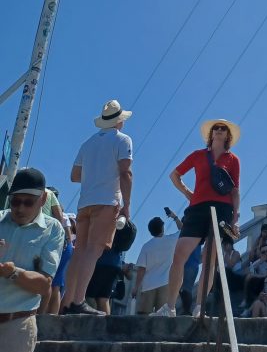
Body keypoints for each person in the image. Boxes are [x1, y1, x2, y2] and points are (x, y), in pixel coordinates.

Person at [0, 167, 64, 352]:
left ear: (43, 200)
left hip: (17, 325)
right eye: (15, 202)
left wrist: (12, 272)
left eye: (28, 202)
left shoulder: (53, 230)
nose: (20, 208)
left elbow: (43, 285)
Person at [154, 118, 241, 318]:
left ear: (228, 135)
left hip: (222, 210)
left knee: (210, 259)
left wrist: (235, 218)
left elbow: (235, 191)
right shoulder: (198, 155)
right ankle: (170, 306)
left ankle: (199, 306)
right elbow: (175, 175)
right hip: (197, 208)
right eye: (216, 128)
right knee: (179, 255)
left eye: (223, 129)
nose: (219, 131)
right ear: (210, 134)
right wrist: (188, 194)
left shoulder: (233, 160)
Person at [62, 99, 133, 315]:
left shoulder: (88, 143)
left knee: (80, 252)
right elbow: (125, 173)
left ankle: (67, 301)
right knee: (93, 251)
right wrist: (126, 205)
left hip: (85, 203)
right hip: (107, 201)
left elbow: (74, 176)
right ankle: (78, 301)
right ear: (119, 121)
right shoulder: (123, 140)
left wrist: (94, 173)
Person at [133, 216, 180, 315]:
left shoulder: (146, 246)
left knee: (143, 316)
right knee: (162, 317)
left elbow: (141, 269)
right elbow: (183, 229)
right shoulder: (171, 240)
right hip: (165, 283)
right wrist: (174, 217)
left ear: (150, 231)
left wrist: (136, 287)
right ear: (162, 227)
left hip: (148, 285)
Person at [85, 244, 124, 314]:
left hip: (100, 260)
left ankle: (88, 323)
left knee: (89, 296)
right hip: (114, 262)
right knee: (103, 298)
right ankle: (106, 324)